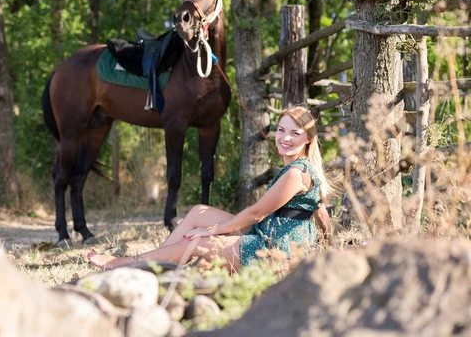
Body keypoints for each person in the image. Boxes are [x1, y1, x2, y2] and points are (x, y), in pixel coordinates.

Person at [88, 106, 332, 272]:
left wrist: (214, 230)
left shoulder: (295, 173)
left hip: (275, 249)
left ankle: (123, 264)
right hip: (270, 232)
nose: (285, 138)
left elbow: (256, 213)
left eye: (294, 133)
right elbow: (321, 211)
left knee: (198, 242)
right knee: (198, 212)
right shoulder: (303, 168)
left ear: (308, 139)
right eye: (281, 130)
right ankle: (155, 263)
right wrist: (326, 243)